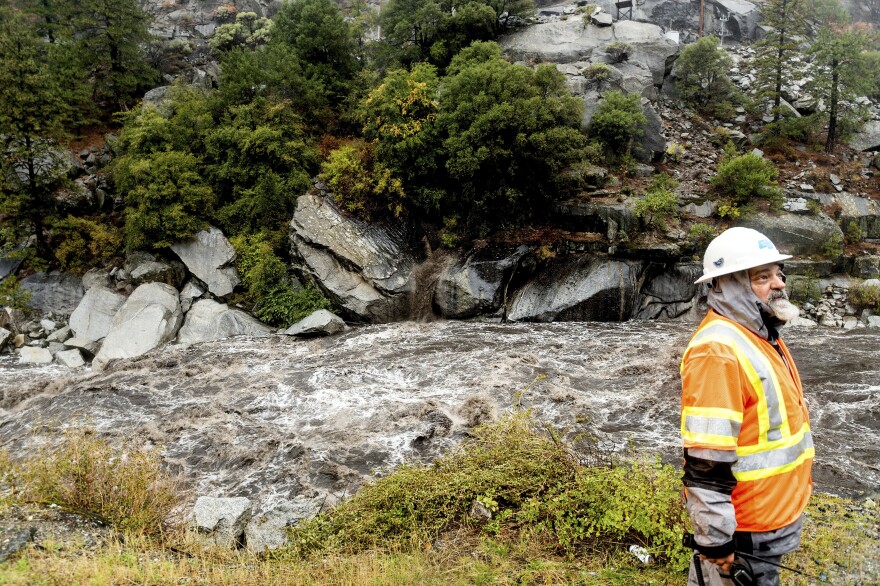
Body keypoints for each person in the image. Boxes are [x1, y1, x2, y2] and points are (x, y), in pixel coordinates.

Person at [680, 227, 814, 586]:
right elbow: (707, 461)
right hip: (745, 531)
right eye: (762, 276)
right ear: (726, 285)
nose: (779, 284)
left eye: (777, 274)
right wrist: (716, 542)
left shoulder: (760, 333)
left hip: (770, 520)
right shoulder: (718, 350)